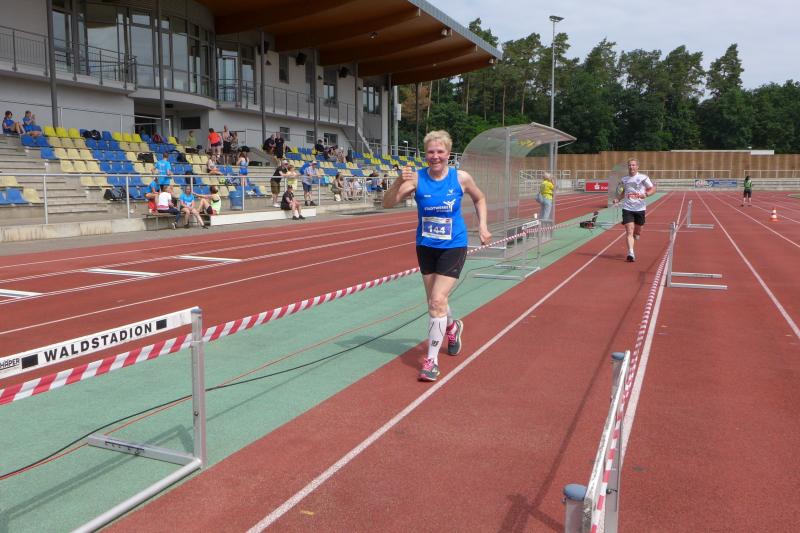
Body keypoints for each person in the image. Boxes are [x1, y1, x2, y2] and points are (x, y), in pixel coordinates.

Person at [382, 130, 491, 382]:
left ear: (448, 153)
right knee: (434, 301)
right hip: (426, 246)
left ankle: (431, 360)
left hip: (454, 245)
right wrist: (398, 181)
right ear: (425, 154)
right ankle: (452, 326)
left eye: (440, 151)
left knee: (436, 301)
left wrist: (483, 226)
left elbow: (480, 198)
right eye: (431, 152)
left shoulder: (461, 178)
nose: (435, 156)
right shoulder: (417, 179)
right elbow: (386, 203)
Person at [613, 158, 656, 263]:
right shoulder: (624, 179)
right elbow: (623, 192)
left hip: (640, 208)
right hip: (627, 208)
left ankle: (637, 234)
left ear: (637, 167)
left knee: (638, 231)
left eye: (633, 165)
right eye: (629, 165)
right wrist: (618, 199)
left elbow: (653, 189)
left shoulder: (643, 178)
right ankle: (631, 253)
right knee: (629, 231)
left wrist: (646, 194)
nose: (631, 167)